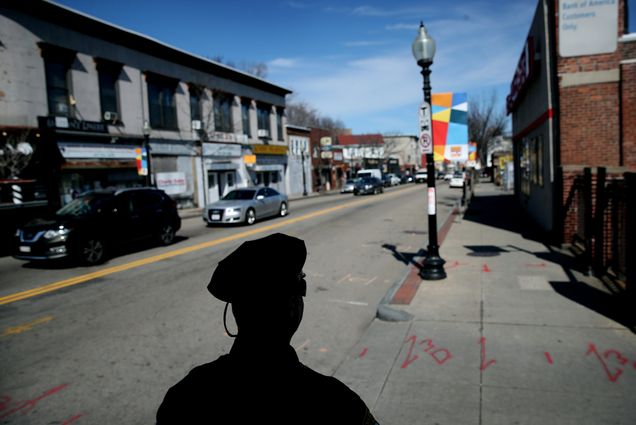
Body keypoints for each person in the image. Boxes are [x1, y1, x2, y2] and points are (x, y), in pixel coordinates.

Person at [156, 233, 378, 425]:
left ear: (235, 311)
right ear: (293, 307)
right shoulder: (335, 404)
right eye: (301, 283)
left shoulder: (186, 395)